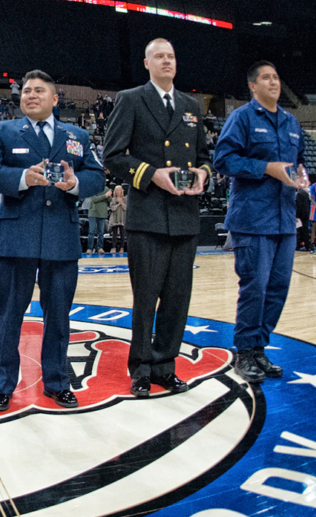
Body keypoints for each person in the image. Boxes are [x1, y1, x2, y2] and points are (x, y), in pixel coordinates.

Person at [0, 70, 105, 411]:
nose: (30, 95)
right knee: (8, 318)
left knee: (59, 317)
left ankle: (57, 382)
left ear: (55, 99)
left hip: (61, 238)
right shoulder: (3, 131)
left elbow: (98, 177)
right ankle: (2, 384)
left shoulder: (77, 135)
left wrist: (75, 183)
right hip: (16, 238)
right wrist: (21, 177)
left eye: (38, 91)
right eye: (26, 91)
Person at [103, 38, 213, 398]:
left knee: (178, 299)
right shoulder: (131, 99)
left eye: (171, 55)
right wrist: (152, 174)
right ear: (147, 64)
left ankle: (166, 366)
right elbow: (114, 156)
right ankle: (141, 369)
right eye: (159, 56)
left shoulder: (191, 105)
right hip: (148, 214)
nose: (167, 61)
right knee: (146, 297)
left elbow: (203, 154)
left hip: (184, 216)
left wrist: (204, 173)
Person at [213, 61, 306, 383]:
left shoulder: (292, 123)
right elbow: (222, 160)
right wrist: (267, 168)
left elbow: (298, 163)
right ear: (253, 86)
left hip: (284, 220)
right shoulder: (242, 118)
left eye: (276, 77)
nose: (273, 82)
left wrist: (300, 175)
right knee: (254, 288)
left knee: (278, 289)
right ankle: (244, 352)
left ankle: (259, 348)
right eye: (265, 78)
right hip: (252, 219)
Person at [86, 184, 111, 254]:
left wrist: (109, 195)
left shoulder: (106, 188)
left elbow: (110, 199)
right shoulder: (93, 188)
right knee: (91, 231)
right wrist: (105, 195)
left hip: (102, 213)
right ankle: (89, 248)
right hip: (93, 213)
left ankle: (100, 247)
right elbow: (94, 199)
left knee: (101, 232)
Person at [107, 185, 127, 253]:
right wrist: (118, 204)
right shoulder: (113, 199)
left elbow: (126, 209)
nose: (118, 191)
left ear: (122, 191)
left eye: (119, 190)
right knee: (114, 234)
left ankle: (122, 248)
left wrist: (122, 204)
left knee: (122, 234)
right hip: (115, 218)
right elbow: (111, 208)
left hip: (122, 218)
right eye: (117, 190)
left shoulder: (125, 199)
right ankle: (114, 247)